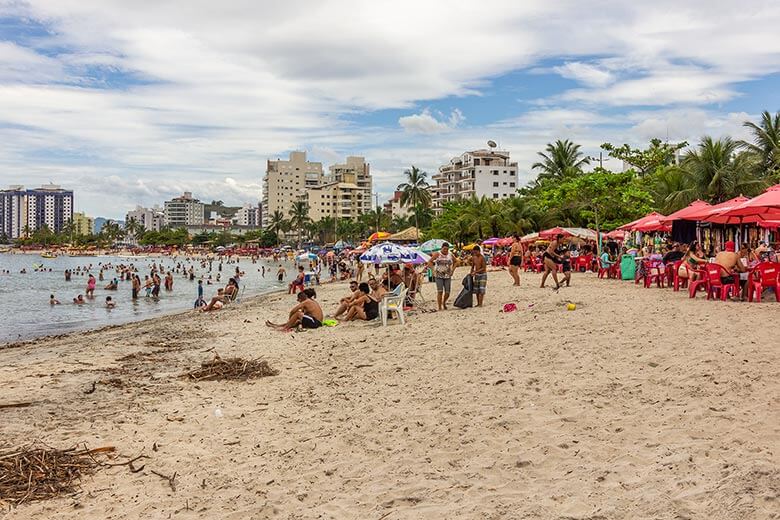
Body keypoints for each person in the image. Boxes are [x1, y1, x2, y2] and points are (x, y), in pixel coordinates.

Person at [428, 242, 455, 310]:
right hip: (438, 275)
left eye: (447, 249)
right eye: (444, 249)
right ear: (441, 248)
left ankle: (444, 302)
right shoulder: (437, 254)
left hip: (447, 275)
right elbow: (430, 261)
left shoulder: (450, 254)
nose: (445, 250)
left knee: (447, 292)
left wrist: (452, 270)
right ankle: (440, 306)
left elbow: (457, 261)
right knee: (440, 291)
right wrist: (433, 270)